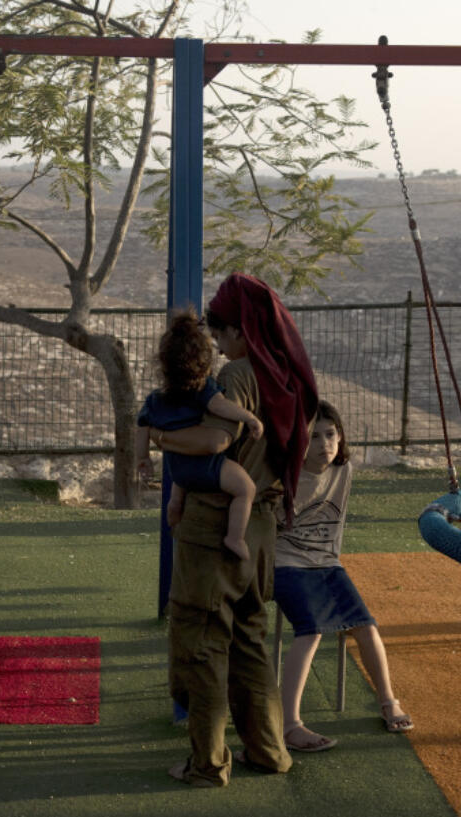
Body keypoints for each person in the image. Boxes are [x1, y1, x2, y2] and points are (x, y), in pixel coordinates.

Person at [152, 273, 318, 788]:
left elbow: (213, 443)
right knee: (249, 639)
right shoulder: (284, 375)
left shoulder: (235, 379)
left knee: (202, 645)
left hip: (215, 531)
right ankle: (268, 751)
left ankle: (207, 764)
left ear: (242, 332)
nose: (218, 347)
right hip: (260, 528)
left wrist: (158, 436)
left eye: (221, 335)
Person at [273, 400, 412, 753]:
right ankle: (290, 724)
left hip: (327, 563)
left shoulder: (343, 468)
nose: (325, 445)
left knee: (365, 625)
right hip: (286, 562)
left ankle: (387, 701)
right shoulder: (283, 476)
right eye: (313, 438)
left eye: (331, 435)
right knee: (312, 630)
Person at [136, 309, 265, 561]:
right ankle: (235, 537)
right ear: (205, 362)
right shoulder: (204, 389)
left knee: (175, 503)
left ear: (163, 364)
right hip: (207, 467)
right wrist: (249, 417)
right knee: (246, 489)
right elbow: (220, 407)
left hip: (177, 470)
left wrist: (143, 458)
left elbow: (141, 427)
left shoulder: (155, 399)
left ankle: (174, 524)